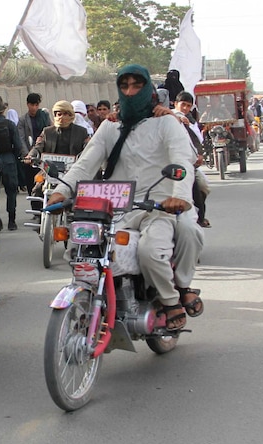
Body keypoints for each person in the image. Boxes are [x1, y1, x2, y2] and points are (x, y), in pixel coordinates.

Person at [46, 65, 204, 331]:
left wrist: (178, 197)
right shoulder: (111, 126)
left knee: (151, 252)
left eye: (137, 86)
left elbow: (181, 161)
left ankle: (171, 299)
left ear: (148, 90)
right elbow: (86, 163)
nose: (130, 92)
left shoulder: (166, 122)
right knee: (86, 251)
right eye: (125, 86)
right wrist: (62, 190)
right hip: (119, 207)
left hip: (159, 206)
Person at [0, 96, 26, 231]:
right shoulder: (10, 124)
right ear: (3, 109)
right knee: (11, 191)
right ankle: (12, 221)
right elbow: (18, 144)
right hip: (9, 159)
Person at [173, 91, 211, 228]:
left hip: (189, 164)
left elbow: (195, 140)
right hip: (173, 164)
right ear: (175, 104)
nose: (185, 108)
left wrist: (199, 154)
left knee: (203, 187)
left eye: (188, 106)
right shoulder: (169, 117)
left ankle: (200, 218)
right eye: (183, 105)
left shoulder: (190, 121)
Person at [16, 93, 52, 192]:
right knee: (31, 185)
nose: (34, 108)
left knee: (45, 184)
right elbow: (21, 138)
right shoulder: (23, 120)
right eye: (32, 105)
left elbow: (51, 131)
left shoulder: (44, 116)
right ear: (28, 104)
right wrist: (27, 155)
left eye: (36, 105)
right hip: (30, 157)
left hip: (44, 155)